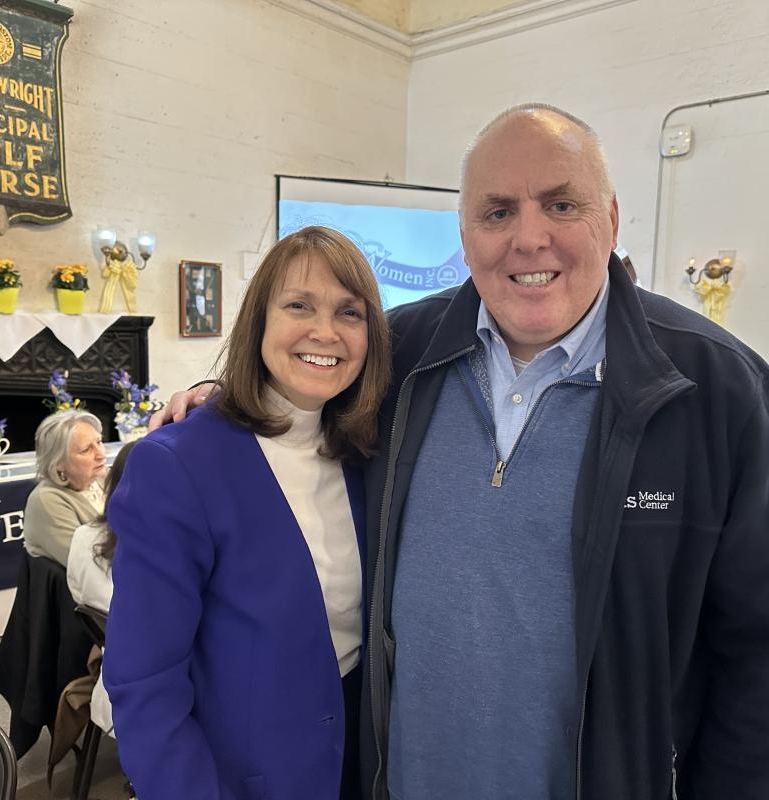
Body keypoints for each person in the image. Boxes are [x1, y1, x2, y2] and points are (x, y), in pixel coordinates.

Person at [151, 105, 769, 800]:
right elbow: (302, 384)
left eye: (561, 204)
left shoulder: (714, 388)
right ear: (466, 235)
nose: (528, 238)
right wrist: (222, 399)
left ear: (613, 219)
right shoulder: (399, 354)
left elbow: (755, 650)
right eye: (497, 212)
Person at [104, 226, 391, 800]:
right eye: (298, 305)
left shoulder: (369, 453)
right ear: (259, 319)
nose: (325, 331)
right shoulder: (179, 464)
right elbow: (144, 683)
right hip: (245, 778)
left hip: (363, 763)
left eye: (349, 313)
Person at [66, 441, 136, 737]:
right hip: (151, 691)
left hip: (112, 674)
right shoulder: (161, 549)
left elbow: (77, 593)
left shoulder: (84, 535)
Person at [23, 410, 107, 566]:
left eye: (99, 442)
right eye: (86, 449)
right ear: (58, 463)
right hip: (87, 584)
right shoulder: (47, 500)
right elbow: (88, 563)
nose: (101, 454)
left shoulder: (103, 477)